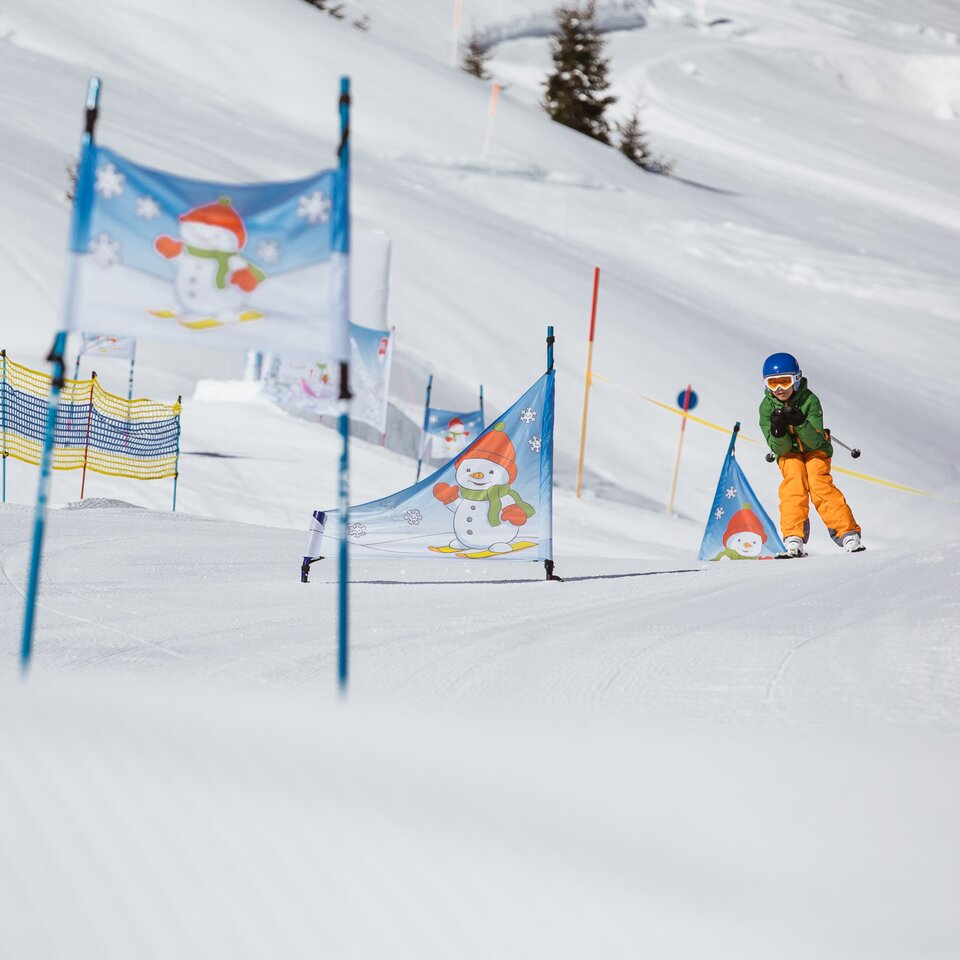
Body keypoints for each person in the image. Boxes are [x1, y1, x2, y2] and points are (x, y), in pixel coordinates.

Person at [759, 353, 863, 556]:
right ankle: (793, 537)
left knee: (819, 484)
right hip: (789, 453)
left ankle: (847, 534)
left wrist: (800, 423)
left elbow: (815, 441)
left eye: (785, 381)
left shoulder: (809, 400)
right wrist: (778, 432)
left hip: (816, 450)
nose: (779, 388)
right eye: (773, 383)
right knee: (793, 484)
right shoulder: (766, 407)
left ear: (796, 379)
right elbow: (780, 449)